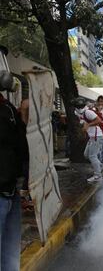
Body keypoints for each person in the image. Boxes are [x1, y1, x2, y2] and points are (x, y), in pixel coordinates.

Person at [0, 83, 29, 270]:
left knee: (10, 257)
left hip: (11, 190)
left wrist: (24, 114)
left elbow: (20, 145)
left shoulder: (7, 108)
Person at [73, 97, 103, 183]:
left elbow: (99, 120)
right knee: (86, 155)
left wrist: (88, 125)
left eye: (79, 106)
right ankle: (100, 166)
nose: (78, 107)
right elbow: (82, 123)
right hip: (92, 136)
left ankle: (98, 176)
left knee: (92, 156)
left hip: (97, 136)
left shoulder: (88, 112)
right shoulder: (78, 113)